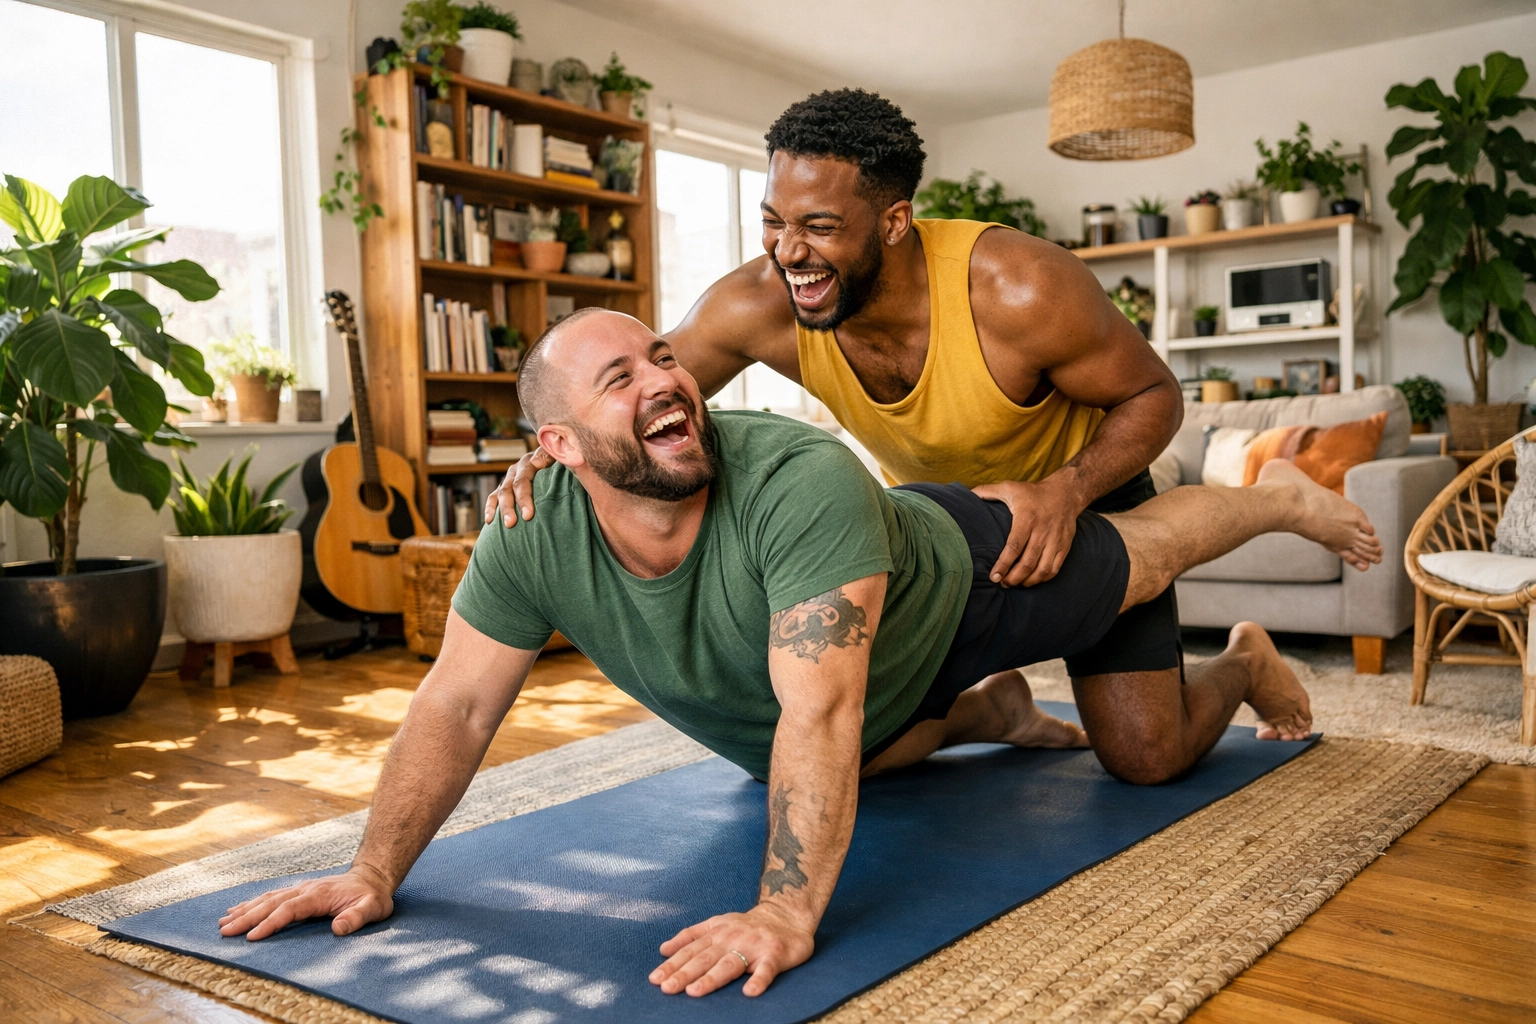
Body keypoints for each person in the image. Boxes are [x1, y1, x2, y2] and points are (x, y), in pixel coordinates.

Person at [220, 311, 1381, 1001]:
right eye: (619, 378)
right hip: (874, 677)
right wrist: (376, 869)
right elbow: (457, 706)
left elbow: (818, 718)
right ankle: (994, 717)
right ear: (558, 445)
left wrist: (783, 915)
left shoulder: (793, 480)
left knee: (1144, 673)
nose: (665, 380)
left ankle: (1260, 551)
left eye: (663, 357)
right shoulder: (532, 533)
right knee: (839, 754)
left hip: (955, 581)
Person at [487, 88, 1220, 785]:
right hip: (941, 527)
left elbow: (1155, 394)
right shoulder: (759, 305)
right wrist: (547, 456)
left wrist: (1071, 488)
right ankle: (992, 710)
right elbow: (633, 399)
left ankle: (1247, 661)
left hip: (1074, 495)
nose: (788, 250)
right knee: (836, 748)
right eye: (774, 220)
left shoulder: (1019, 288)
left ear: (895, 222)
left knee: (1147, 758)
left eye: (821, 227)